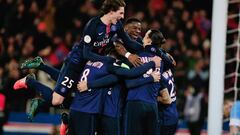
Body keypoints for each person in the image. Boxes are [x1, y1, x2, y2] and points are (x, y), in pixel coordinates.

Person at [13, 0, 144, 119]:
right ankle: (30, 82)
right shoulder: (93, 26)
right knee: (57, 100)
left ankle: (42, 67)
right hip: (76, 62)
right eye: (120, 13)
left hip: (91, 64)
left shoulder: (117, 25)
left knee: (81, 93)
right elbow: (86, 54)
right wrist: (106, 60)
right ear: (111, 11)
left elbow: (129, 42)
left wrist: (148, 48)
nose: (122, 16)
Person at [68, 47, 161, 135]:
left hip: (95, 111)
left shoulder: (91, 63)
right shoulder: (115, 65)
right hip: (111, 113)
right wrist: (151, 73)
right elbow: (128, 79)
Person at [123, 29, 165, 135]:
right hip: (152, 105)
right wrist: (150, 78)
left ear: (149, 41)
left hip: (135, 103)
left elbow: (129, 84)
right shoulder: (160, 60)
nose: (142, 38)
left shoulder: (136, 57)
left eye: (145, 36)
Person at [157, 67, 178, 135]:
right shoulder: (169, 71)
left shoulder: (160, 77)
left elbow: (167, 100)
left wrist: (155, 98)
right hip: (173, 114)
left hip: (166, 116)